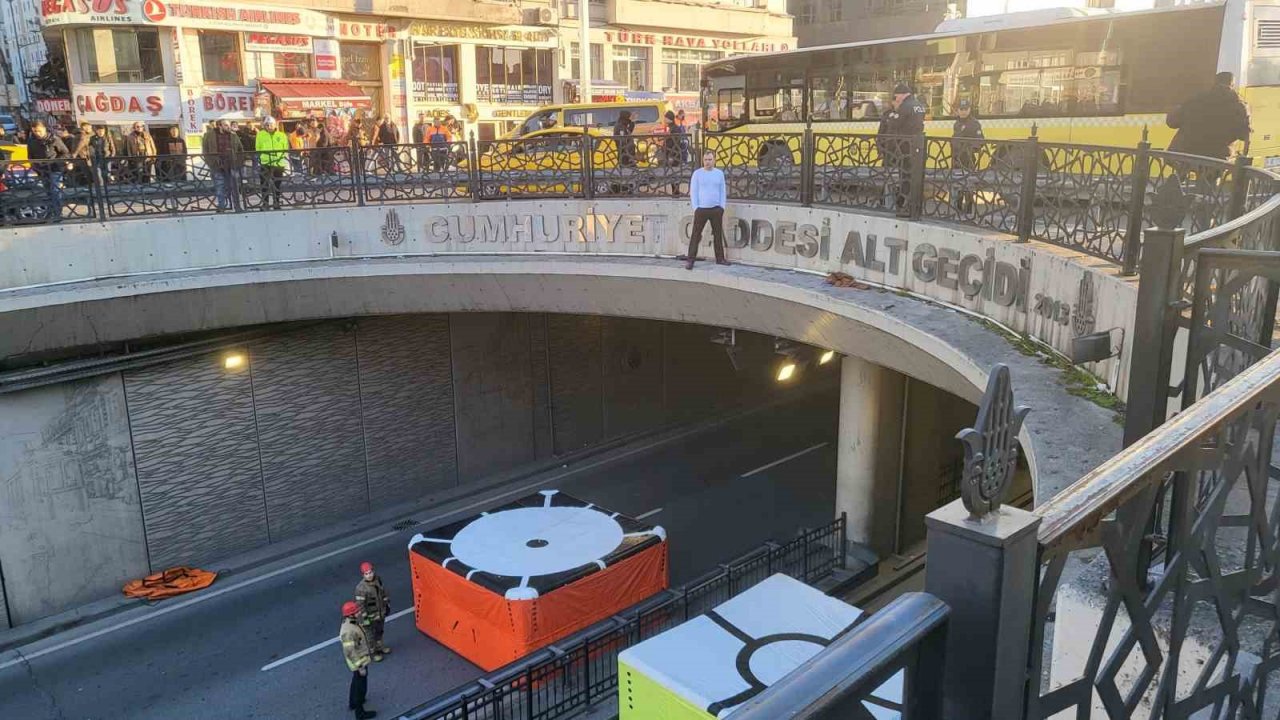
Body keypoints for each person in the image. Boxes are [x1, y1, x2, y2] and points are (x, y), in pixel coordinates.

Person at [1167, 71, 1251, 160]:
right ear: (1232, 85)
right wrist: (1244, 157)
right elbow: (1245, 136)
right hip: (1216, 160)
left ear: (1214, 83)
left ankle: (1181, 174)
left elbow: (1171, 123)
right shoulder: (1239, 106)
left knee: (1181, 169)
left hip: (1182, 154)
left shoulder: (1196, 98)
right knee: (1212, 171)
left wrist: (1176, 109)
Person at [880, 82, 925, 217]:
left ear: (903, 94)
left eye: (897, 96)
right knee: (914, 177)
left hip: (905, 148)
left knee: (905, 177)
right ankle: (914, 206)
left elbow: (895, 124)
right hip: (917, 148)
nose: (896, 98)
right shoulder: (919, 105)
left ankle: (903, 206)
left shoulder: (906, 106)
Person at [686, 150, 729, 270]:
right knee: (695, 235)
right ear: (703, 160)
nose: (707, 162)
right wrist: (696, 208)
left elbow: (722, 191)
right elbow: (693, 192)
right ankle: (690, 260)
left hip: (716, 209)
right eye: (705, 160)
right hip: (701, 210)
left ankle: (720, 258)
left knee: (717, 234)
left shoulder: (719, 174)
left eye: (710, 160)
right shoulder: (697, 174)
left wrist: (722, 207)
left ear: (714, 160)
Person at [26, 121, 70, 222]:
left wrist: (56, 162)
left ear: (44, 129)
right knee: (48, 192)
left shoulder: (54, 139)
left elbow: (66, 153)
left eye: (39, 131)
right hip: (42, 170)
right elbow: (30, 157)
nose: (37, 133)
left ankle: (58, 213)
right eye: (35, 131)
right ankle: (51, 212)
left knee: (55, 191)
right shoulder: (31, 141)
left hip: (55, 169)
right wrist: (35, 166)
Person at [340, 601, 377, 720]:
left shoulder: (351, 623)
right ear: (351, 615)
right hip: (358, 662)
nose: (359, 612)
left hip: (359, 661)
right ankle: (360, 712)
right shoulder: (349, 630)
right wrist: (360, 666)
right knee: (360, 687)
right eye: (356, 612)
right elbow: (350, 651)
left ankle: (352, 703)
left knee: (356, 682)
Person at [951, 99, 984, 213]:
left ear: (970, 109)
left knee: (968, 184)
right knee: (958, 183)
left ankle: (968, 208)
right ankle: (958, 207)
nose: (963, 112)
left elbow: (980, 141)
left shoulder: (974, 124)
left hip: (968, 159)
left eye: (966, 109)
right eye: (961, 109)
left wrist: (969, 147)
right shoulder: (957, 123)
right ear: (958, 110)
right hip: (956, 159)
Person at [203, 120, 242, 212]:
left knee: (234, 187)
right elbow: (205, 150)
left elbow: (240, 149)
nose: (228, 127)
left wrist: (238, 163)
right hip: (217, 165)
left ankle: (237, 207)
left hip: (231, 164)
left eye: (228, 125)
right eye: (226, 125)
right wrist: (211, 162)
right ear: (219, 126)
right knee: (220, 187)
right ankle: (222, 206)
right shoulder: (209, 135)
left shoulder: (233, 135)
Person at [355, 562, 391, 661]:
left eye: (370, 572)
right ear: (363, 575)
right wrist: (365, 618)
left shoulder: (378, 580)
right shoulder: (361, 588)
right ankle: (373, 652)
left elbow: (383, 593)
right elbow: (360, 606)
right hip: (369, 617)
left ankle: (380, 647)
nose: (369, 575)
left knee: (379, 632)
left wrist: (387, 604)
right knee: (370, 636)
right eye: (366, 573)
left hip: (379, 613)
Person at [255, 116, 289, 210]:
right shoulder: (260, 135)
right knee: (264, 185)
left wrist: (281, 158)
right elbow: (258, 148)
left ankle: (276, 203)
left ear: (275, 125)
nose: (269, 126)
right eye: (267, 125)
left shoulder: (281, 135)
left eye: (271, 124)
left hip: (278, 163)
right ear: (264, 125)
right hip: (265, 163)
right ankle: (265, 204)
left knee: (277, 184)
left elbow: (285, 148)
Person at [662, 110, 686, 197]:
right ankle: (675, 191)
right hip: (671, 154)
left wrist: (671, 155)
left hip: (673, 155)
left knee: (674, 173)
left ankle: (676, 192)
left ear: (669, 119)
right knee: (672, 174)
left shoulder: (674, 128)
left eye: (665, 117)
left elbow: (675, 143)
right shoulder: (671, 127)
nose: (664, 119)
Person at [69, 122, 94, 188]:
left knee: (80, 171)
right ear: (85, 127)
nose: (91, 129)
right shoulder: (83, 135)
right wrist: (75, 154)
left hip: (79, 156)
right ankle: (91, 186)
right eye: (90, 127)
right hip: (82, 156)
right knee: (88, 171)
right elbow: (80, 145)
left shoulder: (77, 134)